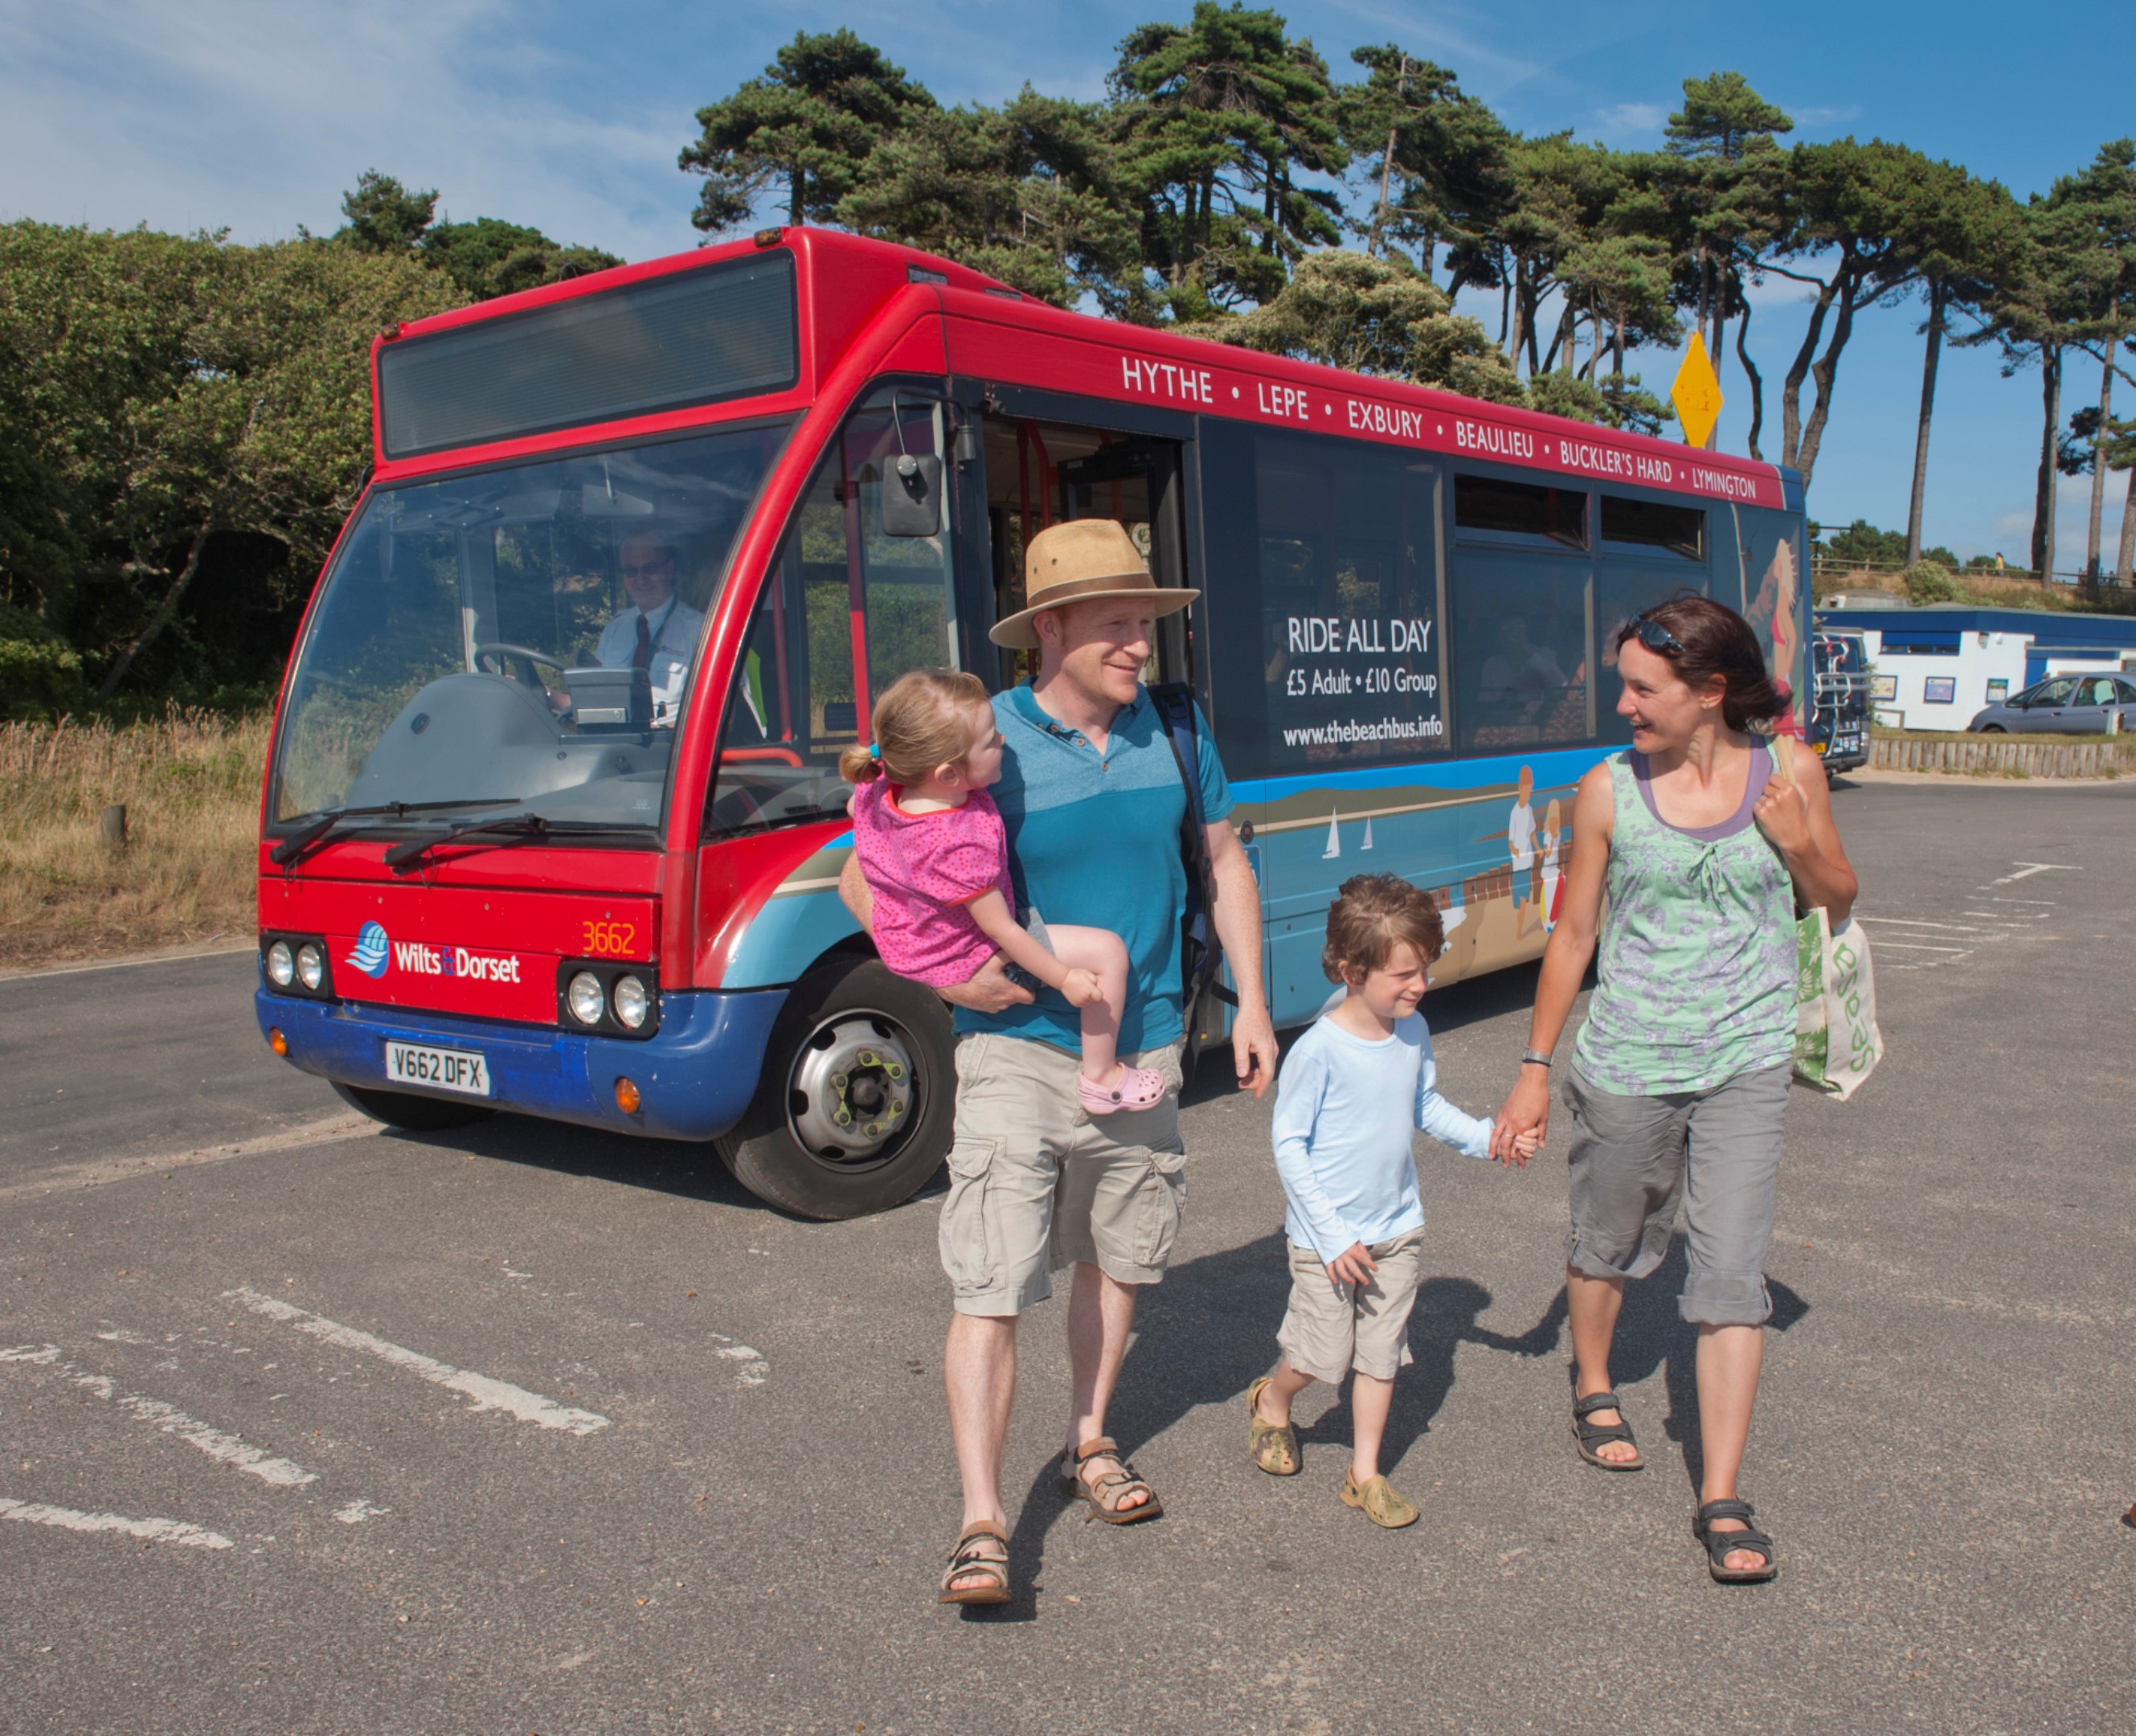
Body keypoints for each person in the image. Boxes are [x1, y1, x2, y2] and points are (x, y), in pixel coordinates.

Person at [838, 518, 1278, 1607]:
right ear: (1050, 629)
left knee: (1119, 1259)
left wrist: (1258, 1004)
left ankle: (1089, 1444)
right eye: (1117, 625)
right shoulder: (987, 740)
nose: (1140, 645)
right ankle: (982, 1520)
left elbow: (1222, 864)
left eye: (1147, 623)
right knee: (989, 1284)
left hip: (1150, 1044)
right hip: (1014, 1051)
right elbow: (867, 882)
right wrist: (948, 986)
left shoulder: (1175, 728)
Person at [1490, 594, 1857, 1585]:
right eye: (1624, 683)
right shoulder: (1606, 789)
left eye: (1643, 689)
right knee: (1610, 1241)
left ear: (1710, 691)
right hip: (1627, 1063)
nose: (1624, 706)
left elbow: (1836, 896)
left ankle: (1722, 1496)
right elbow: (1573, 935)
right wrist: (1534, 1068)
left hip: (1747, 1062)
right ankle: (1596, 1380)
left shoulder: (1793, 774)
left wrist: (1796, 839)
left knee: (1732, 1277)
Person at [1246, 874, 1537, 1528]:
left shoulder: (1412, 1031)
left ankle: (1365, 1473)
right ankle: (1273, 1399)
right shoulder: (1320, 1049)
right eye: (1404, 974)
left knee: (1380, 1356)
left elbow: (1424, 1106)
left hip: (1397, 1229)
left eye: (1424, 970)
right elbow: (1289, 1145)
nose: (1420, 986)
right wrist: (1331, 1235)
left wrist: (1490, 1140)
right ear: (1351, 970)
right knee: (1323, 1359)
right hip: (1328, 1240)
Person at [839, 668, 1165, 1115]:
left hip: (914, 938)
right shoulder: (957, 842)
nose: (1004, 744)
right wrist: (1065, 978)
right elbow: (1004, 931)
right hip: (967, 948)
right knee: (1107, 952)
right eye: (991, 741)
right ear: (949, 775)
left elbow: (852, 807)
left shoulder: (879, 789)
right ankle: (1101, 1077)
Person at [591, 530, 702, 726]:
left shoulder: (699, 630)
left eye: (650, 569)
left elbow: (722, 712)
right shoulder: (614, 630)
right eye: (631, 571)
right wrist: (548, 695)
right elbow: (593, 699)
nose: (640, 579)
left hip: (671, 748)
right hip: (614, 745)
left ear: (669, 569)